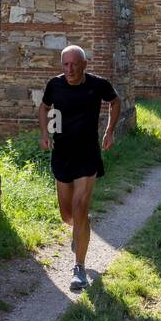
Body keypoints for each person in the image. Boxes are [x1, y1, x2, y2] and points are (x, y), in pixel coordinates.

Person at [38, 45, 121, 292]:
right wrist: (44, 133)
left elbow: (115, 101)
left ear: (84, 64)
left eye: (74, 64)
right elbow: (43, 107)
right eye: (65, 64)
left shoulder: (98, 85)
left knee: (80, 207)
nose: (70, 69)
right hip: (62, 154)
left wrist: (109, 130)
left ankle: (79, 268)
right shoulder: (55, 85)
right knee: (67, 216)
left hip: (87, 155)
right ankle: (81, 227)